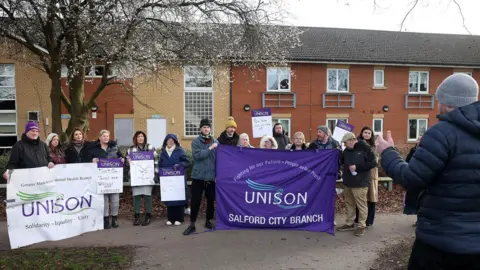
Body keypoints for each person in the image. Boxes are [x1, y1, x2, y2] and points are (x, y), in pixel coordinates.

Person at [375, 73, 480, 269]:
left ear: (448, 104)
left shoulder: (441, 134)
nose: (437, 106)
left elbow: (411, 178)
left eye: (439, 100)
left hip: (439, 242)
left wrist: (387, 152)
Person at [336, 132, 377, 237]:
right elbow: (341, 162)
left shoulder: (365, 148)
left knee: (361, 205)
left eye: (345, 142)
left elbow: (373, 163)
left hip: (360, 182)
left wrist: (357, 167)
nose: (344, 145)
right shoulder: (346, 151)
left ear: (351, 140)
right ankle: (349, 223)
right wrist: (338, 152)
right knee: (349, 203)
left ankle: (362, 225)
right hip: (348, 182)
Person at [183, 119, 218, 235]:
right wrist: (210, 148)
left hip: (211, 177)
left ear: (210, 129)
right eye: (204, 127)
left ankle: (208, 220)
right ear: (200, 129)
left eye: (208, 127)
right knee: (195, 201)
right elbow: (197, 156)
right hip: (198, 177)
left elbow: (220, 158)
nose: (206, 129)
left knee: (210, 200)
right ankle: (192, 224)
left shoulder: (215, 141)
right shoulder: (196, 142)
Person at [87, 129, 125, 229]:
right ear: (99, 137)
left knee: (115, 200)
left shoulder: (114, 147)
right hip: (101, 179)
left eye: (107, 136)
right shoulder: (94, 149)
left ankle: (114, 219)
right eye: (104, 136)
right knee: (104, 200)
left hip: (114, 179)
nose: (106, 138)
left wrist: (122, 159)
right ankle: (106, 219)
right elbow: (86, 159)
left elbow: (121, 157)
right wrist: (92, 160)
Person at [127, 131, 158, 226]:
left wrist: (155, 174)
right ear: (135, 138)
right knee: (136, 196)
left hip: (148, 176)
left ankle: (148, 215)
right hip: (136, 176)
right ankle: (137, 216)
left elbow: (156, 161)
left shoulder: (150, 147)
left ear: (144, 138)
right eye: (138, 136)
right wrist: (128, 161)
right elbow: (126, 161)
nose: (140, 138)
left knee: (147, 196)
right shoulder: (131, 149)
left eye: (142, 136)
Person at [159, 134, 191, 226]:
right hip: (167, 178)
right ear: (166, 141)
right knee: (170, 197)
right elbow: (160, 165)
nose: (170, 141)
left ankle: (179, 218)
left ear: (175, 141)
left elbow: (187, 162)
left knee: (178, 197)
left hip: (178, 178)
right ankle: (170, 218)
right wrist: (159, 174)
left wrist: (180, 165)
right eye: (168, 140)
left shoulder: (180, 150)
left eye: (172, 140)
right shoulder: (163, 152)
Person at [354, 126, 379, 227]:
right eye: (365, 132)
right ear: (362, 133)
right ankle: (358, 218)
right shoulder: (357, 144)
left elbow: (375, 160)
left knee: (371, 197)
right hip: (360, 173)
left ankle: (369, 220)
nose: (367, 134)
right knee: (360, 196)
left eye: (369, 133)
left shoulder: (374, 146)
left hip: (372, 174)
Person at [404, 136, 422, 227]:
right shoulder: (413, 150)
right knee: (415, 200)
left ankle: (421, 220)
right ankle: (418, 220)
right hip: (414, 178)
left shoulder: (427, 151)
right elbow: (407, 161)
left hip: (423, 179)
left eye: (421, 139)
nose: (419, 141)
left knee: (422, 200)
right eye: (418, 139)